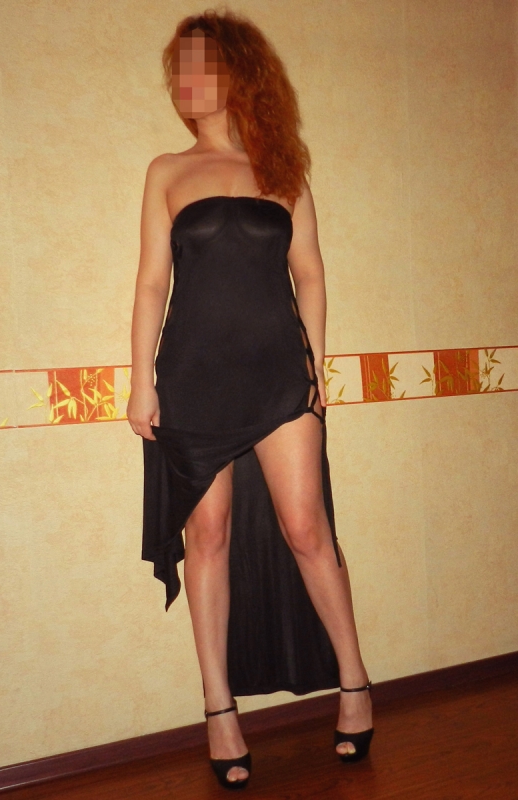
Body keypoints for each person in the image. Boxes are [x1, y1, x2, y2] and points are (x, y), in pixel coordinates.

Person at [127, 10, 373, 790]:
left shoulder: (284, 168)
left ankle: (356, 685)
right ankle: (219, 710)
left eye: (199, 65)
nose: (185, 81)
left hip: (277, 373)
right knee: (208, 536)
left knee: (308, 531)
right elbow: (151, 282)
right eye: (178, 69)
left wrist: (315, 367)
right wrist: (140, 379)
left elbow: (311, 273)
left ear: (239, 73)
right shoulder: (166, 171)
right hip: (193, 377)